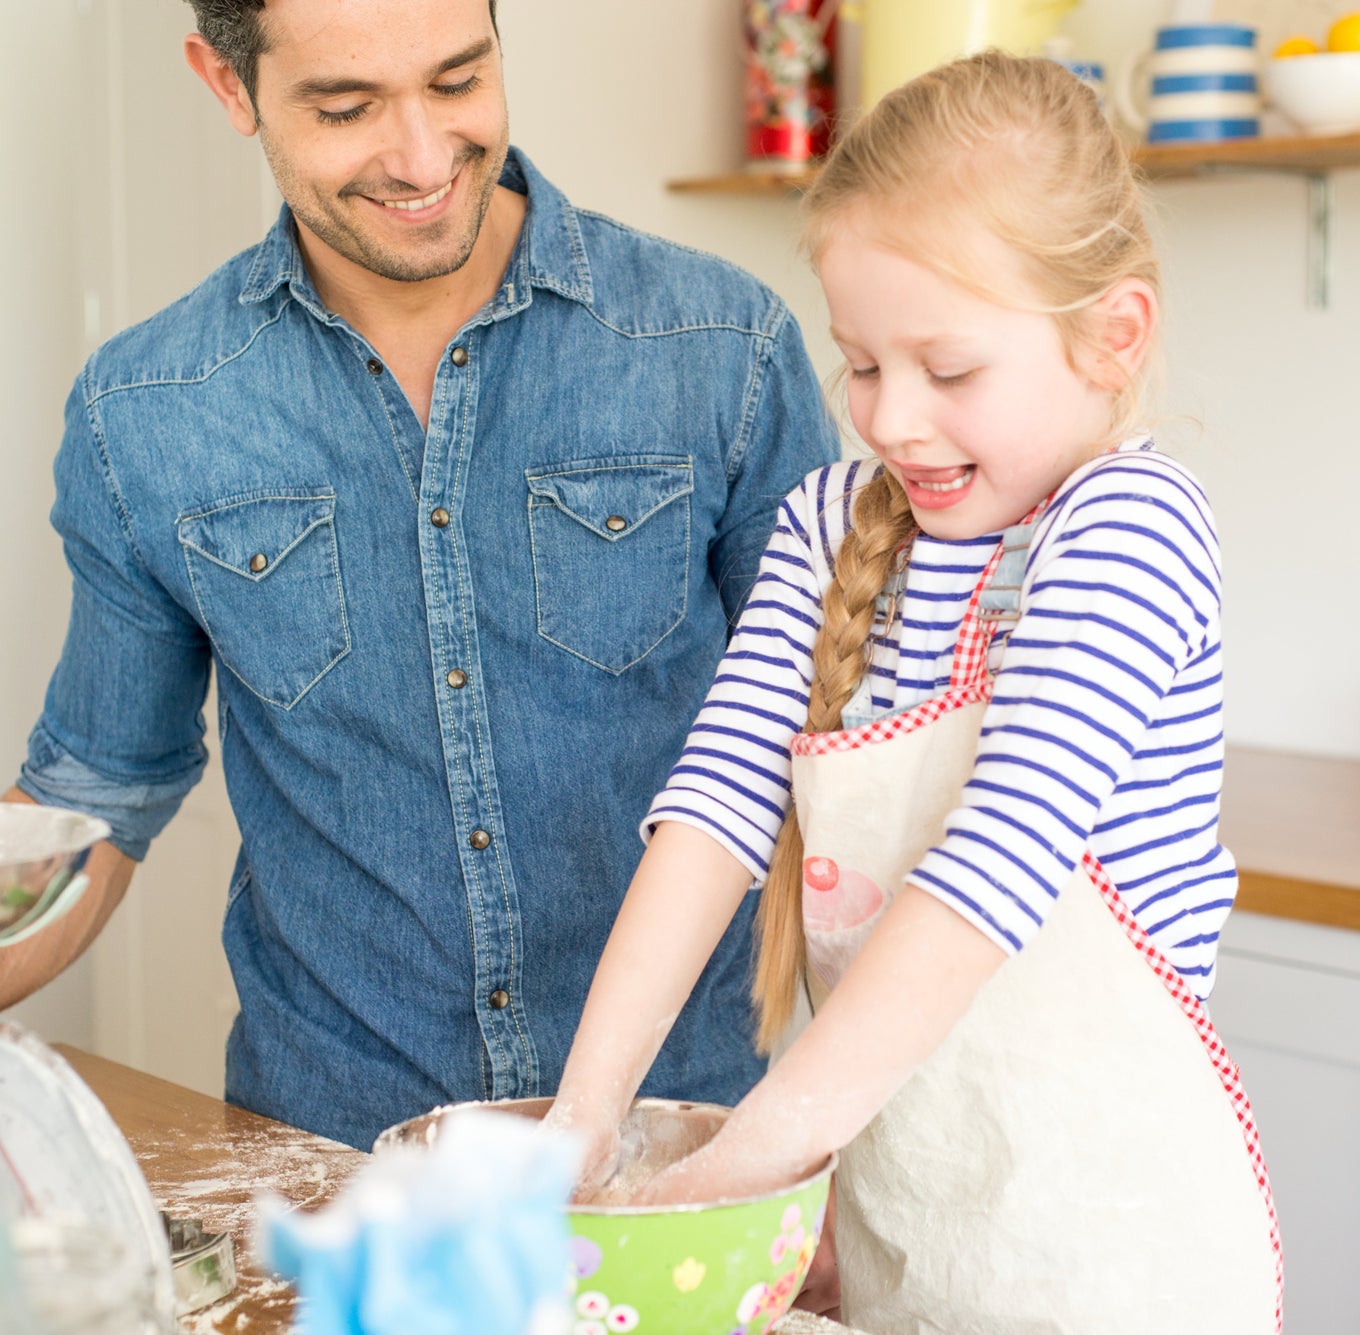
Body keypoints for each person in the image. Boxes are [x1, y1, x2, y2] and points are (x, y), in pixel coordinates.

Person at [0, 0, 833, 1153]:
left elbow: (846, 755)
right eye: (346, 107)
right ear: (228, 86)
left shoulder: (717, 350)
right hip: (329, 1164)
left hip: (688, 1145)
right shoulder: (147, 412)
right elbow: (96, 801)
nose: (423, 156)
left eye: (456, 81)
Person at [547, 53, 1281, 1332]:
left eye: (948, 371)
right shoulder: (828, 524)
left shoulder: (1124, 529)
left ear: (1112, 336)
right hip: (905, 1234)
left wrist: (745, 1166)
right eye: (860, 363)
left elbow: (992, 866)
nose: (890, 419)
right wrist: (584, 1115)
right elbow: (715, 806)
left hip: (1112, 1259)